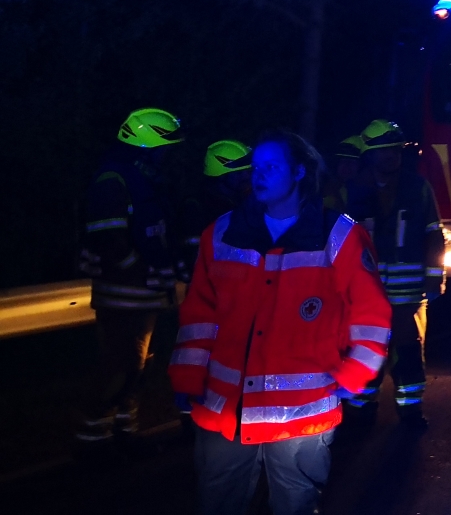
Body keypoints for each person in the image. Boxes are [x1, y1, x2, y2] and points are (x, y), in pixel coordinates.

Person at [170, 129, 391, 515]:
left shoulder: (338, 235)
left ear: (300, 171)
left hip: (301, 414)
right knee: (217, 504)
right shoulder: (221, 233)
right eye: (256, 167)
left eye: (271, 167)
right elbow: (199, 314)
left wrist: (355, 375)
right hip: (225, 409)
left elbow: (371, 314)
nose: (259, 175)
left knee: (296, 506)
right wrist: (187, 376)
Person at [75, 107, 184, 444]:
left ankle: (124, 433)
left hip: (143, 297)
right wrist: (142, 272)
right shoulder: (114, 180)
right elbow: (109, 239)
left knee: (136, 368)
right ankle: (93, 443)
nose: (168, 157)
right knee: (118, 369)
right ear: (146, 147)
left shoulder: (142, 180)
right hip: (123, 297)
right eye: (164, 149)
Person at [345, 120, 445, 429]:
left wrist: (434, 277)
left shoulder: (418, 187)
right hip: (366, 290)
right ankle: (360, 409)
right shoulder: (354, 190)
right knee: (364, 348)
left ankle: (410, 410)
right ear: (369, 155)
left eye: (396, 150)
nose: (391, 156)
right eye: (384, 151)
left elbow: (433, 233)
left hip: (406, 291)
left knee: (407, 350)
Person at [178, 140, 254, 285]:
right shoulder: (197, 207)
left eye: (248, 171)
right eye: (239, 173)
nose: (247, 177)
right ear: (222, 175)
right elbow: (195, 258)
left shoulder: (240, 204)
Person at [321, 134, 365, 213]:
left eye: (353, 162)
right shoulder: (322, 185)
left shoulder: (364, 193)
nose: (346, 166)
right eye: (343, 161)